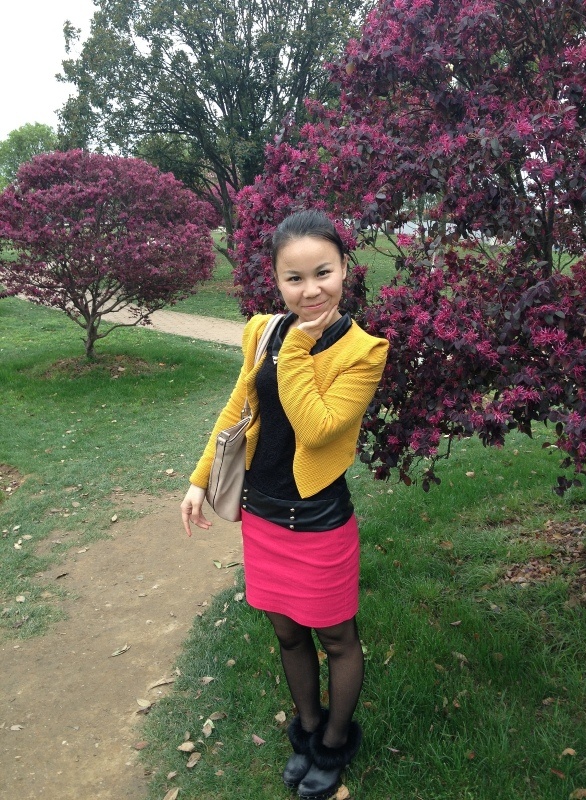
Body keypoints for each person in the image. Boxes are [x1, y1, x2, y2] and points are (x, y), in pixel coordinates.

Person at [181, 210, 389, 800]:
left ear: (345, 268)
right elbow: (239, 408)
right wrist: (200, 479)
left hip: (320, 522)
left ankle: (333, 744)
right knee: (289, 635)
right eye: (293, 278)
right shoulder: (262, 331)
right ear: (276, 279)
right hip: (264, 514)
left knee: (337, 639)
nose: (310, 290)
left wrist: (296, 347)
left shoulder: (364, 351)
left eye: (323, 272)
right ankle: (307, 728)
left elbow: (317, 428)